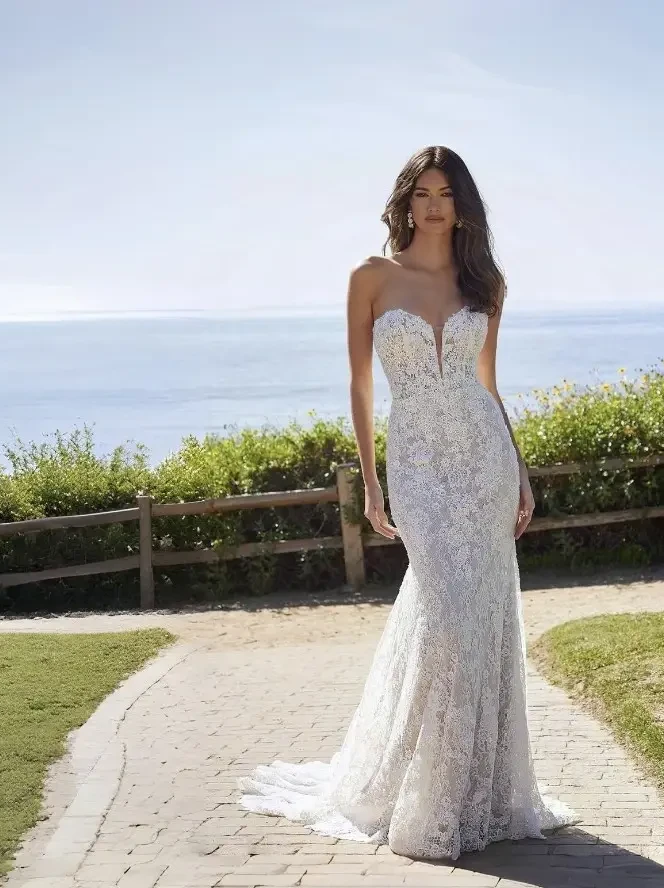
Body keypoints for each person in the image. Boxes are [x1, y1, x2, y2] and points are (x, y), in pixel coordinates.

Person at [238, 146, 575, 859]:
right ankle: (419, 786)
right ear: (406, 200)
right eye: (422, 191)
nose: (433, 204)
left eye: (446, 192)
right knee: (447, 614)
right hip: (418, 464)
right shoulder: (371, 277)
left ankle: (469, 793)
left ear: (462, 206)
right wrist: (371, 479)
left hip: (483, 460)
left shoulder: (484, 283)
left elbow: (488, 383)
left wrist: (519, 472)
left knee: (478, 621)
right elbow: (361, 388)